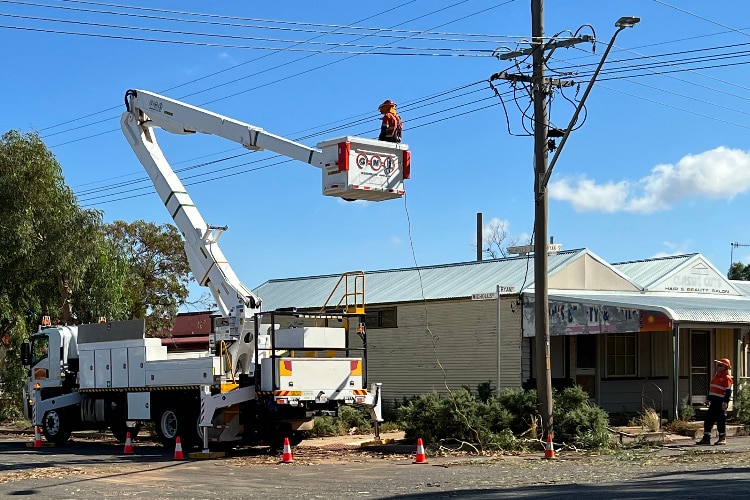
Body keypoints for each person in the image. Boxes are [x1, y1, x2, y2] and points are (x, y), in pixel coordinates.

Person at [696, 357, 733, 445]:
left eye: (720, 365)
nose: (718, 367)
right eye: (717, 365)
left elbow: (728, 391)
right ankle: (706, 439)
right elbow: (712, 389)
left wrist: (725, 402)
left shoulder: (726, 378)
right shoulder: (716, 376)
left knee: (720, 421)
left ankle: (722, 438)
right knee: (708, 420)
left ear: (725, 368)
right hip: (714, 402)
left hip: (720, 403)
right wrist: (709, 399)